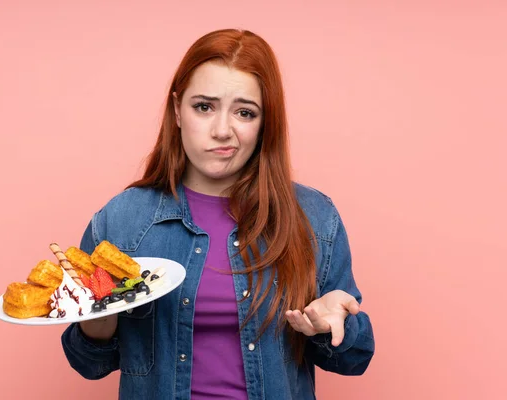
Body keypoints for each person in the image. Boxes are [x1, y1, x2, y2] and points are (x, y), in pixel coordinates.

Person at [61, 28, 375, 399]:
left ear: (264, 123)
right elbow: (89, 363)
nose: (222, 130)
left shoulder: (315, 219)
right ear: (177, 110)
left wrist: (329, 325)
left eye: (244, 112)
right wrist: (99, 315)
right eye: (204, 107)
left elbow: (355, 359)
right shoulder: (122, 221)